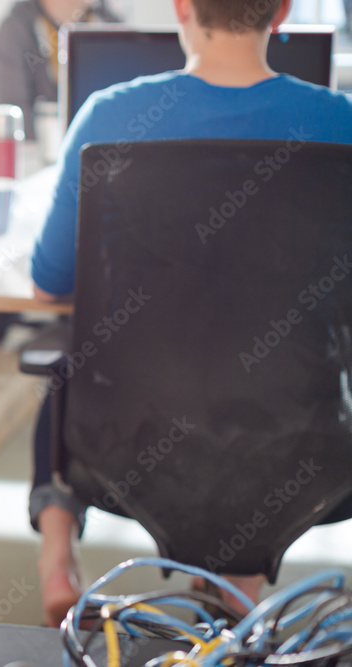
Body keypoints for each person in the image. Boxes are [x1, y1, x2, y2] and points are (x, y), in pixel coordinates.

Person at [28, 0, 352, 626]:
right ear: (281, 12)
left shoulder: (111, 115)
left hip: (135, 423)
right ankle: (238, 591)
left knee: (65, 365)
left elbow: (48, 284)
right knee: (252, 389)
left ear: (182, 6)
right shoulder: (341, 124)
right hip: (302, 426)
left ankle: (56, 558)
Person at [0, 0, 119, 140]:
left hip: (98, 153)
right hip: (39, 157)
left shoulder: (113, 26)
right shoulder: (15, 31)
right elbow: (13, 123)